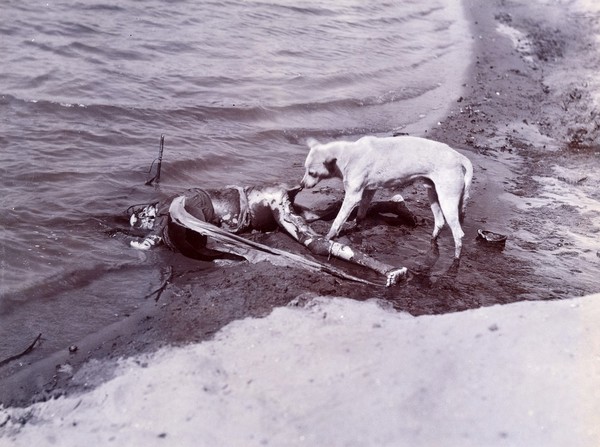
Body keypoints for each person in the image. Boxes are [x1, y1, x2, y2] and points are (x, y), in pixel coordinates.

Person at [127, 184, 415, 286]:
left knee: (314, 244)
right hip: (265, 200)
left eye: (143, 216)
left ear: (150, 210)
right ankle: (391, 204)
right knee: (320, 216)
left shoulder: (176, 203)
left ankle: (386, 269)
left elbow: (174, 217)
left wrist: (150, 239)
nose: (147, 220)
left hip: (267, 201)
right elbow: (196, 236)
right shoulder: (183, 210)